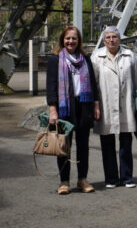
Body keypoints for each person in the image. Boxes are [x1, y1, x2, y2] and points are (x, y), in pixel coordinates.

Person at [46, 26, 100, 195]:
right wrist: (53, 109)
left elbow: (93, 83)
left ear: (79, 41)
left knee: (83, 145)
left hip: (84, 105)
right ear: (63, 40)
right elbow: (51, 86)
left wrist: (96, 106)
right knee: (64, 146)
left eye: (74, 38)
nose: (71, 41)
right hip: (65, 107)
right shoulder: (56, 60)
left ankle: (82, 179)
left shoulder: (85, 59)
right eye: (68, 38)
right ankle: (64, 181)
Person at [92, 26, 137, 188]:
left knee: (126, 143)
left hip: (125, 105)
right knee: (107, 143)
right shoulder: (97, 56)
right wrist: (95, 105)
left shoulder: (129, 56)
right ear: (104, 40)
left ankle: (127, 177)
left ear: (120, 39)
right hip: (105, 104)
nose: (111, 40)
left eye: (114, 37)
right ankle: (111, 178)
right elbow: (93, 83)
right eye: (108, 37)